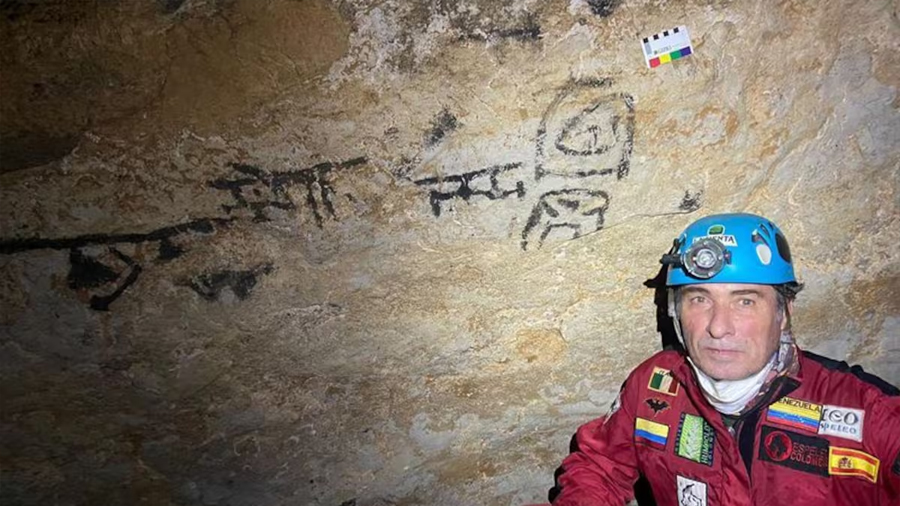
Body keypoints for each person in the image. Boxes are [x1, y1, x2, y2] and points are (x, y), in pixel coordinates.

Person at [548, 212, 900, 506]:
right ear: (676, 311)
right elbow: (600, 464)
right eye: (699, 299)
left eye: (745, 301)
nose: (718, 327)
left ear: (784, 312)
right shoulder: (655, 385)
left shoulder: (870, 415)